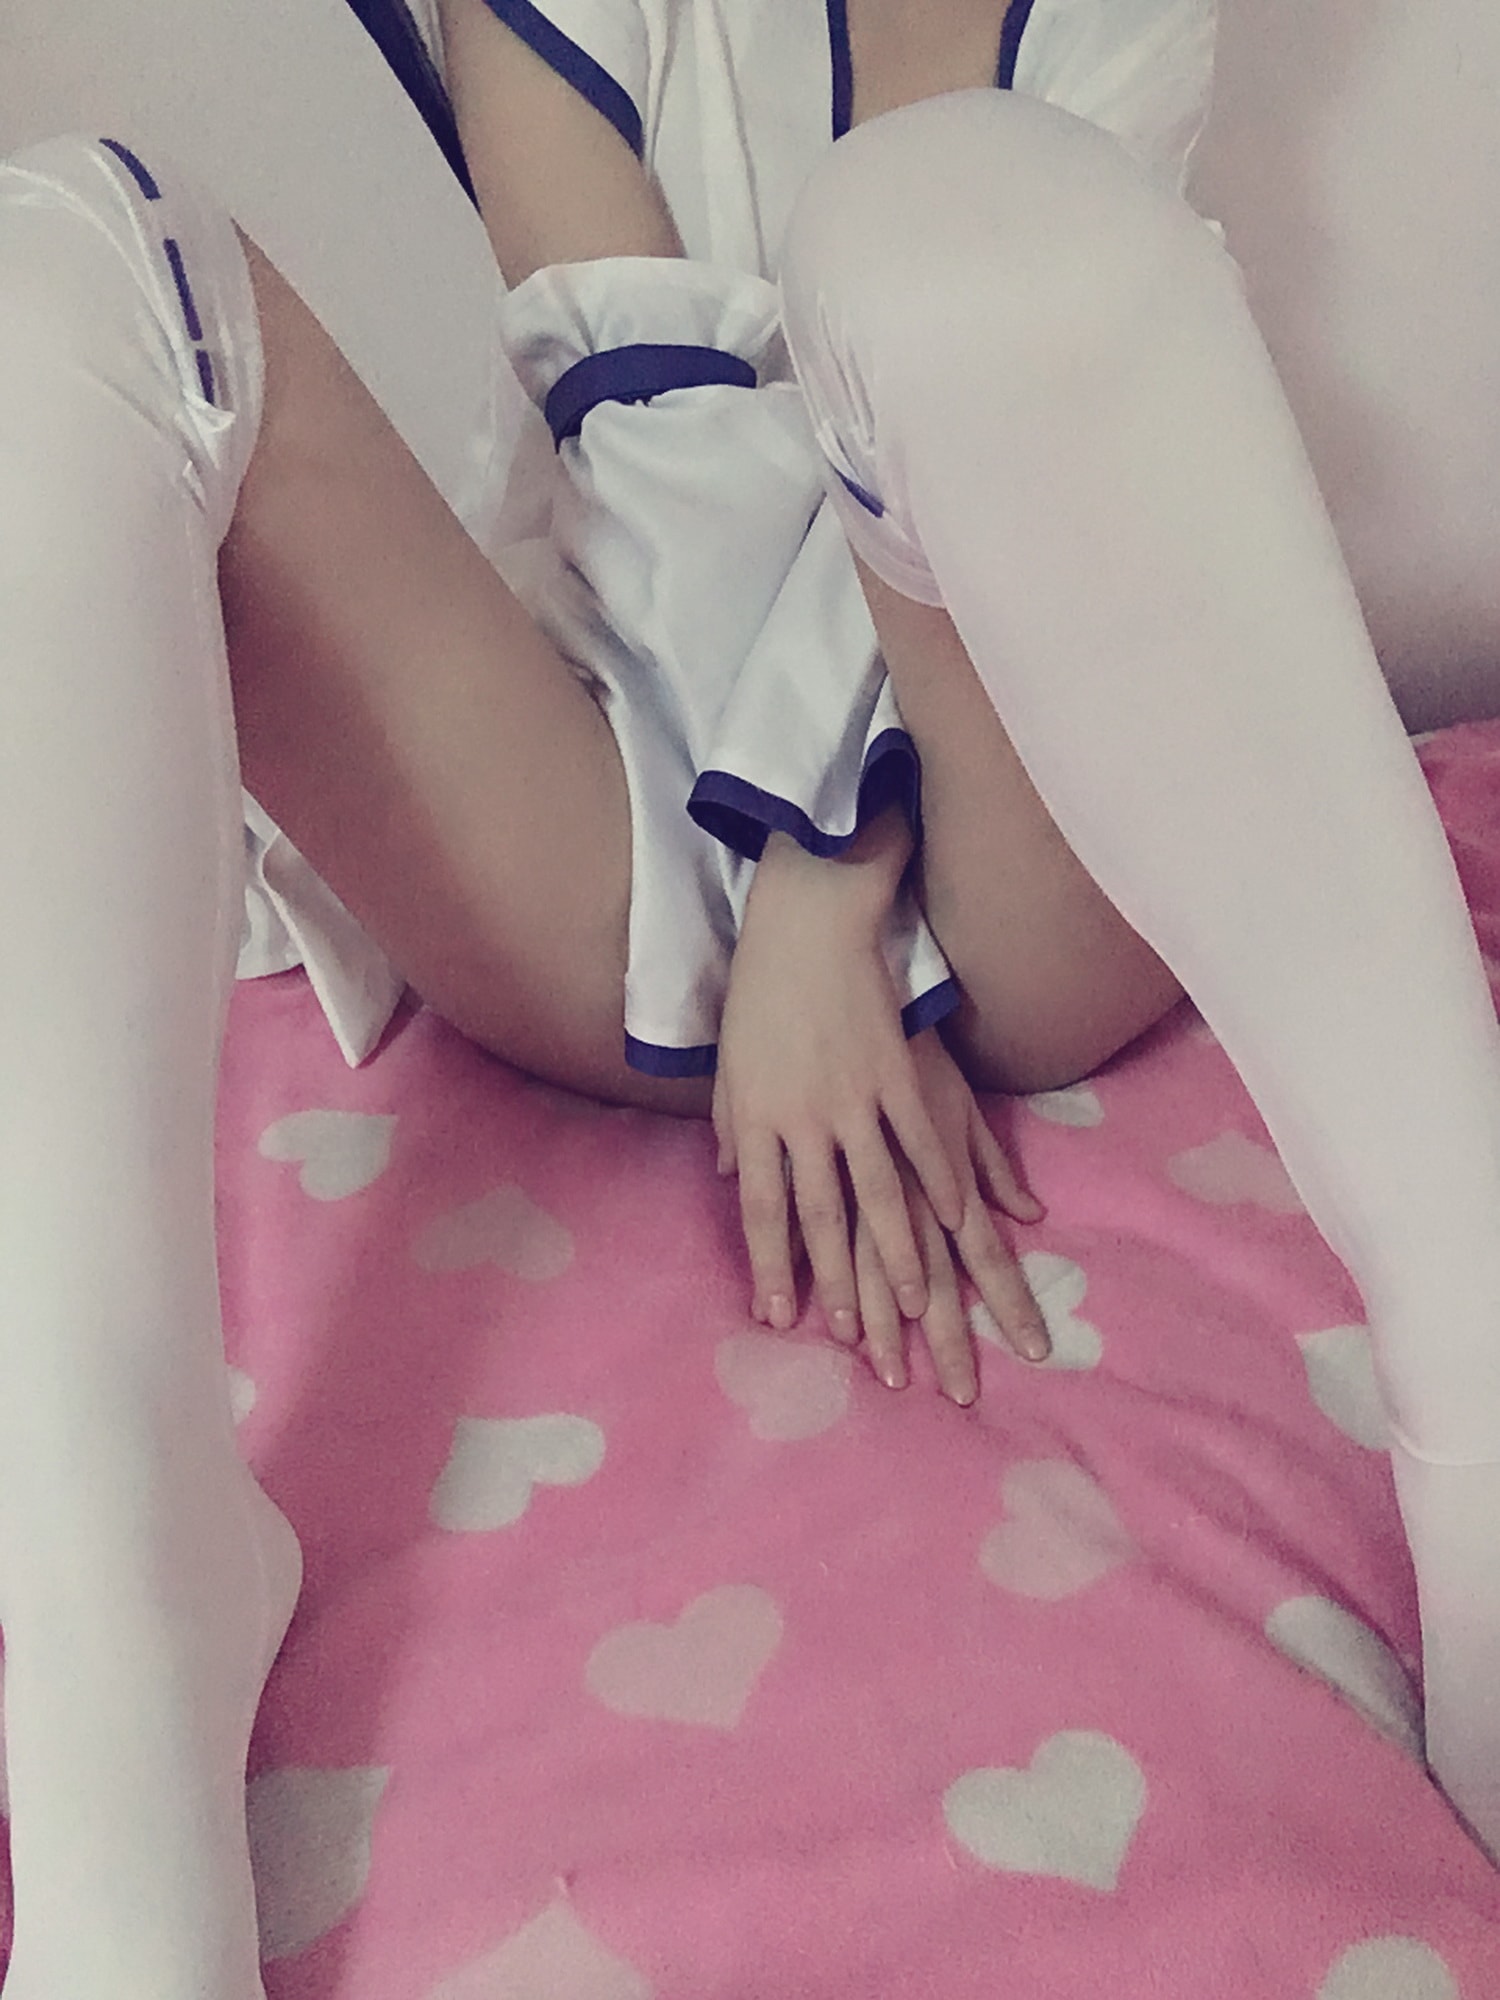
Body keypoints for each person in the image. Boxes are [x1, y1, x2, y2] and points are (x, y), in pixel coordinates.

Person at [2, 2, 1498, 1994]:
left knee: (976, 215)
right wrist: (787, 845)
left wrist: (832, 870)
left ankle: (1483, 1380)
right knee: (68, 256)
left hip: (1026, 816)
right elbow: (666, 472)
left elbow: (1029, 460)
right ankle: (116, 1623)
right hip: (617, 824)